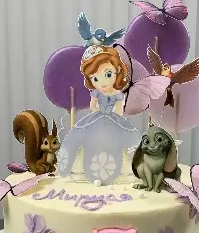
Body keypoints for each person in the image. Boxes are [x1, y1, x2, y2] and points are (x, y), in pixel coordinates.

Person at [57, 45, 140, 185]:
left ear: (118, 71)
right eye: (94, 78)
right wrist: (98, 114)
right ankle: (79, 172)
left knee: (121, 142)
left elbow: (119, 110)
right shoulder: (96, 93)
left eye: (108, 74)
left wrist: (115, 118)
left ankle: (127, 173)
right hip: (98, 117)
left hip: (114, 119)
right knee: (86, 139)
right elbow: (92, 106)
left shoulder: (117, 94)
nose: (102, 83)